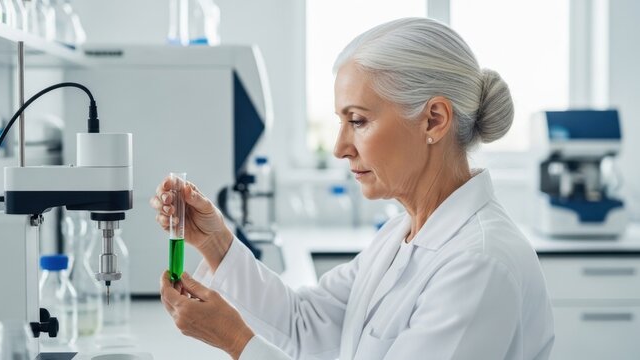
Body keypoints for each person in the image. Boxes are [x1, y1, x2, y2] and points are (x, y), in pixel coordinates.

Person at [150, 17, 555, 360]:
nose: (342, 148)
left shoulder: (479, 265)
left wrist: (236, 340)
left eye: (358, 121)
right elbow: (303, 323)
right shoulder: (401, 236)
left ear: (433, 120)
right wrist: (216, 243)